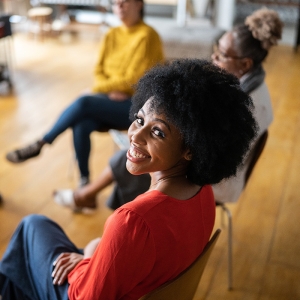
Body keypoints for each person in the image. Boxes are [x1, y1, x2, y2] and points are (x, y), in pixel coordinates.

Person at [0, 59, 257, 299]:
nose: (135, 135)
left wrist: (90, 256)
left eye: (157, 132)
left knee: (32, 226)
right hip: (138, 283)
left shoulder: (133, 220)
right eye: (139, 119)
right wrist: (97, 256)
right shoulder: (203, 192)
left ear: (191, 149)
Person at [53, 7, 282, 211]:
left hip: (216, 177)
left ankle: (104, 205)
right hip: (206, 159)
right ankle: (95, 199)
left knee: (135, 158)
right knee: (134, 151)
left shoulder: (251, 105)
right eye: (216, 49)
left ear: (245, 64)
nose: (213, 57)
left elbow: (217, 154)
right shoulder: (248, 86)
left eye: (222, 54)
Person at [5, 0, 164, 187]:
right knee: (81, 122)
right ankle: (85, 182)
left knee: (84, 102)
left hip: (136, 109)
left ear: (139, 4)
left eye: (125, 2)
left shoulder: (148, 35)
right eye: (116, 3)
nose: (120, 7)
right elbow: (98, 71)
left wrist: (101, 89)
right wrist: (108, 89)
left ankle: (41, 143)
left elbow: (134, 81)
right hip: (108, 100)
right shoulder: (111, 34)